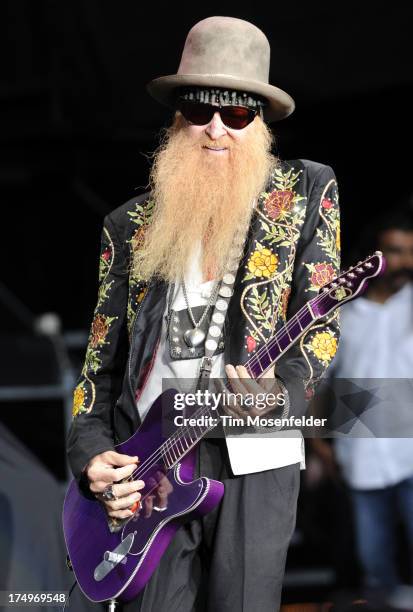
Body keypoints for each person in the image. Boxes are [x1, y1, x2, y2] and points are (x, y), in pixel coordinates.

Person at [67, 16, 340, 612]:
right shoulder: (130, 225)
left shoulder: (306, 192)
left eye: (237, 113)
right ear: (176, 119)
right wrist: (91, 455)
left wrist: (275, 398)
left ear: (260, 122)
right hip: (153, 462)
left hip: (252, 459)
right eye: (199, 110)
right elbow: (97, 371)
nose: (216, 128)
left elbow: (318, 337)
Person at [314, 210, 413, 605]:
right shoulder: (342, 316)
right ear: (374, 257)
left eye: (411, 252)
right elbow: (317, 384)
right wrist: (317, 441)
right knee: (373, 563)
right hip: (363, 457)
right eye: (396, 251)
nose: (406, 261)